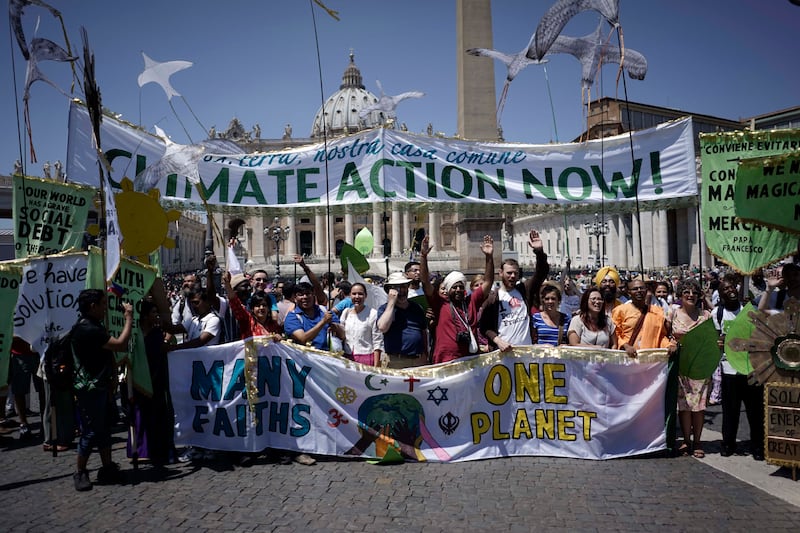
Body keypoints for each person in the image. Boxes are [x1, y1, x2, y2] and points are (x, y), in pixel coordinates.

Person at [72, 289, 134, 491]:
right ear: (93, 307)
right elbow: (120, 344)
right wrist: (128, 318)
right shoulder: (89, 329)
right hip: (90, 388)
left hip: (100, 385)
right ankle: (80, 472)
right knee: (91, 431)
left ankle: (107, 467)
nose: (106, 308)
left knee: (104, 427)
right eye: (103, 304)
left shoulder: (93, 325)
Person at [713, 273, 764, 460]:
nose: (730, 290)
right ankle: (728, 444)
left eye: (732, 287)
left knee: (755, 412)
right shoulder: (716, 314)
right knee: (730, 411)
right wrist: (718, 342)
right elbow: (714, 339)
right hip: (728, 369)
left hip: (750, 367)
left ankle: (758, 446)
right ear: (721, 295)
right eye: (725, 289)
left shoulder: (749, 310)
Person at [419, 235, 491, 364]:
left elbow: (488, 282)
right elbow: (425, 283)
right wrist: (423, 257)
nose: (458, 290)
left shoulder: (471, 302)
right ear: (447, 289)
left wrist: (489, 257)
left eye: (460, 287)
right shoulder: (440, 304)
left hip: (469, 360)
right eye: (454, 287)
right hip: (445, 361)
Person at [479, 230, 548, 352]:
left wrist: (539, 252)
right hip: (503, 353)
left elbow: (541, 273)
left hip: (526, 351)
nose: (512, 276)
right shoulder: (493, 298)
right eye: (509, 273)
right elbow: (484, 326)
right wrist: (497, 340)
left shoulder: (524, 290)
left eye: (515, 273)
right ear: (500, 273)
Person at [667, 278, 712, 458]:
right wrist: (671, 343)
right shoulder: (672, 314)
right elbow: (666, 335)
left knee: (699, 407)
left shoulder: (706, 316)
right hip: (681, 366)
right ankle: (686, 439)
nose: (690, 295)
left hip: (700, 367)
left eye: (694, 292)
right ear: (680, 295)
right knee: (684, 406)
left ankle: (698, 441)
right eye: (686, 292)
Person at [128, 300, 174, 466]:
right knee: (140, 416)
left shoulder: (157, 333)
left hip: (157, 379)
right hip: (140, 380)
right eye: (153, 312)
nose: (156, 315)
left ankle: (160, 451)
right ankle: (141, 449)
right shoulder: (135, 334)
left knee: (158, 416)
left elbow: (166, 343)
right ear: (145, 316)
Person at [612, 277, 677, 358]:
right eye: (635, 289)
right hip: (628, 358)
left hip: (649, 359)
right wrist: (625, 346)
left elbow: (660, 336)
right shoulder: (620, 310)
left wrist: (668, 345)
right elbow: (615, 334)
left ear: (646, 290)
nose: (639, 291)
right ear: (629, 293)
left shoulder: (657, 311)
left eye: (641, 288)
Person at [377, 272, 429, 368]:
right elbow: (382, 327)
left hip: (418, 360)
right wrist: (391, 303)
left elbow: (423, 332)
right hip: (395, 360)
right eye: (397, 288)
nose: (401, 291)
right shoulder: (384, 309)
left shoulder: (417, 308)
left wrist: (425, 354)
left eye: (404, 287)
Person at [222, 271, 283, 341]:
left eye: (264, 305)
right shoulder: (248, 321)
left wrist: (278, 337)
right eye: (258, 305)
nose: (261, 308)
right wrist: (227, 284)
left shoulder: (272, 325)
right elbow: (234, 301)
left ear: (269, 308)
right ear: (252, 308)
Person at [284, 282, 344, 351]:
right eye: (300, 295)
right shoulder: (292, 317)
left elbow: (343, 335)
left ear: (313, 295)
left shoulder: (325, 310)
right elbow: (302, 339)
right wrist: (323, 322)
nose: (305, 297)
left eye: (308, 294)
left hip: (329, 357)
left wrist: (336, 327)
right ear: (295, 298)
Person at [340, 283, 383, 366]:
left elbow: (377, 342)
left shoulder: (373, 314)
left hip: (366, 358)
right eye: (354, 294)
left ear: (365, 296)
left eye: (360, 294)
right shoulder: (346, 312)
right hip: (347, 358)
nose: (357, 297)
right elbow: (341, 334)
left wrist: (377, 366)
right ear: (350, 295)